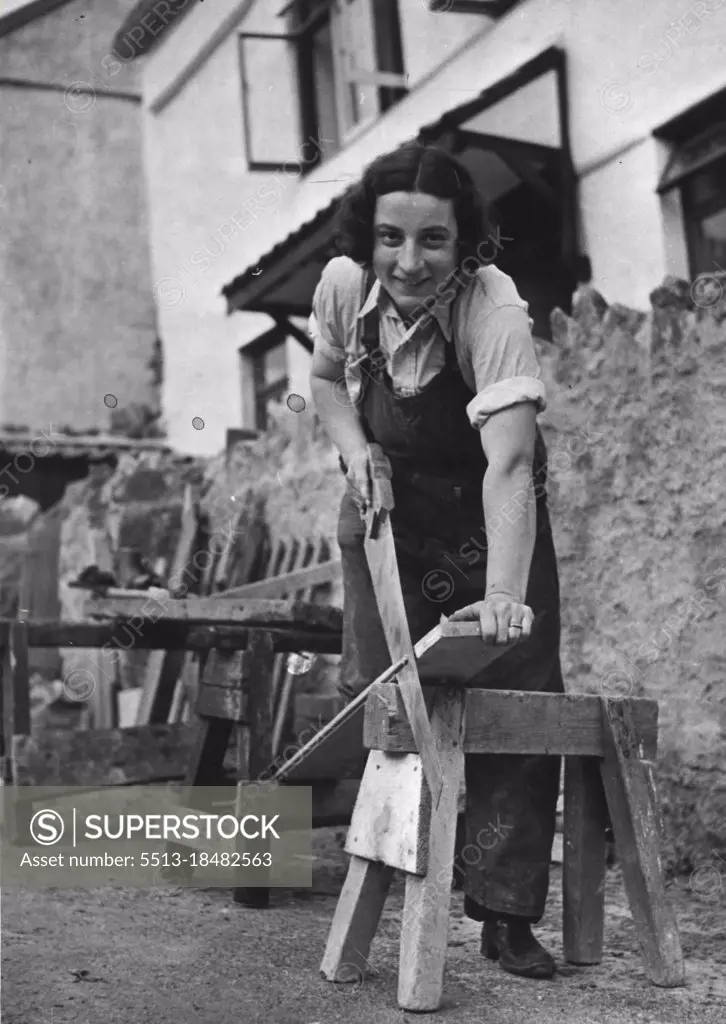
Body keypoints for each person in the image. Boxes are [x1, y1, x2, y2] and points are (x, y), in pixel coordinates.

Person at [308, 141, 563, 980]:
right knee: (388, 709)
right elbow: (326, 384)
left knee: (514, 704)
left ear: (465, 243)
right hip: (384, 519)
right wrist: (357, 456)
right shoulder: (346, 287)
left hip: (487, 520)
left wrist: (499, 595)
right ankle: (390, 885)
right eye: (391, 238)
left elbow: (513, 464)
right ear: (366, 236)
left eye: (433, 241)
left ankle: (507, 911)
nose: (408, 262)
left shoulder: (491, 311)